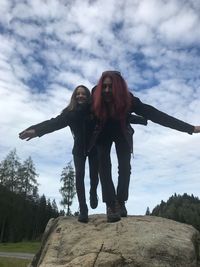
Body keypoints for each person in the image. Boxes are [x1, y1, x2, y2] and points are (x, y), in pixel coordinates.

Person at [91, 70, 200, 223]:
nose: (107, 90)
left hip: (122, 132)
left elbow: (156, 115)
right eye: (105, 87)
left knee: (124, 168)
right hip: (102, 134)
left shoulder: (129, 100)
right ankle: (110, 204)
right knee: (103, 165)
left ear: (119, 89)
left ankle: (121, 202)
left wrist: (190, 128)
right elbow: (79, 115)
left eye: (111, 87)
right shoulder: (95, 95)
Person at [19, 85, 99, 223]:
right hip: (79, 149)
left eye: (83, 94)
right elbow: (53, 123)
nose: (80, 96)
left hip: (94, 147)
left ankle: (93, 193)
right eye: (78, 94)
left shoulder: (94, 110)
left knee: (94, 175)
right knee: (79, 177)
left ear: (88, 96)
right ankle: (83, 209)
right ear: (74, 97)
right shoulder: (70, 113)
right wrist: (35, 130)